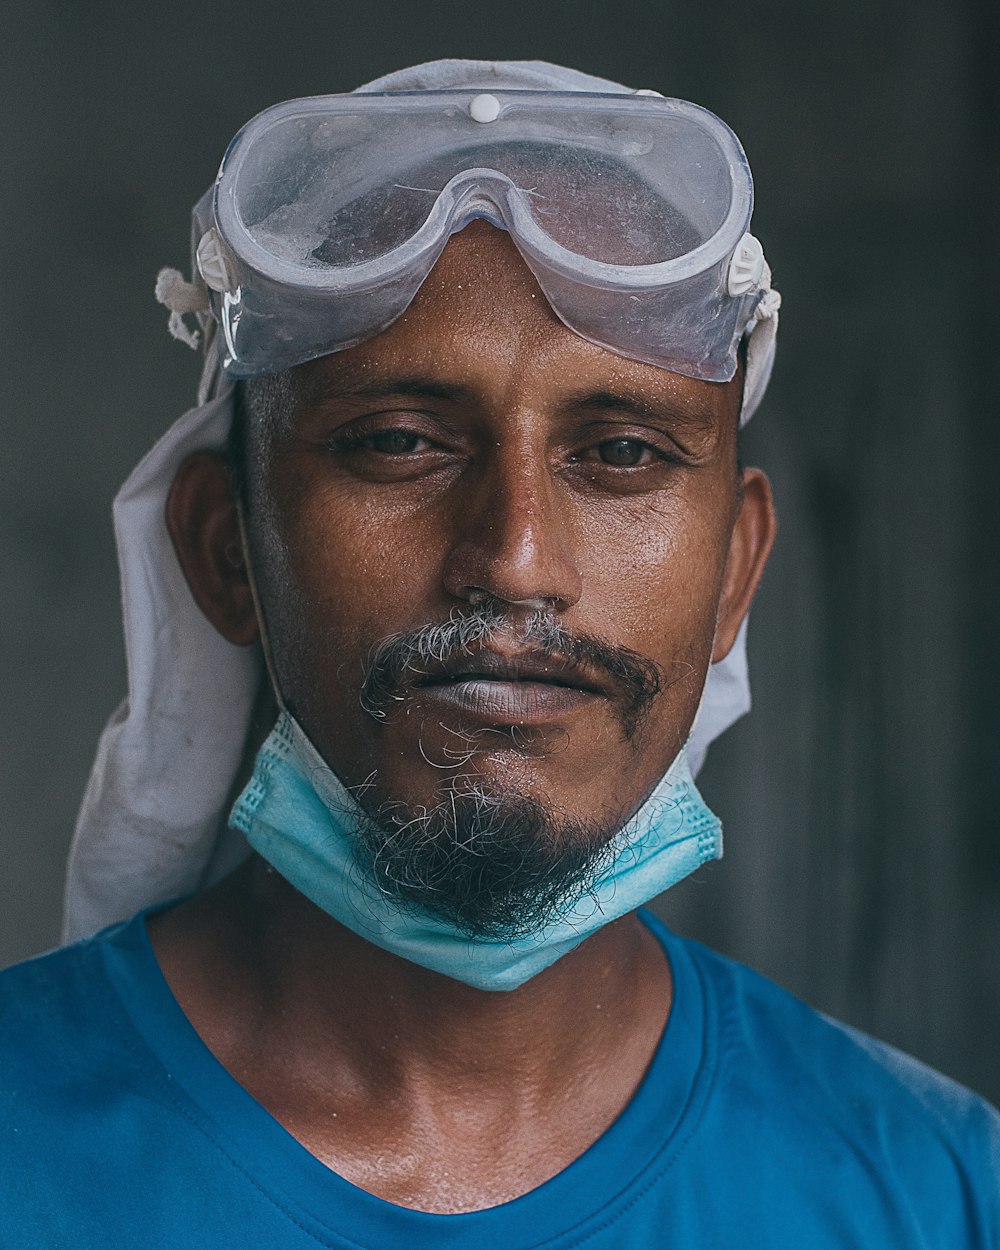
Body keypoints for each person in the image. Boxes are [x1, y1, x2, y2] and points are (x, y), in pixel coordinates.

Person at [1, 58, 997, 1247]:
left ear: (733, 573)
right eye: (400, 441)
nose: (516, 556)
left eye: (622, 452)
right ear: (228, 552)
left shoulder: (937, 1193)